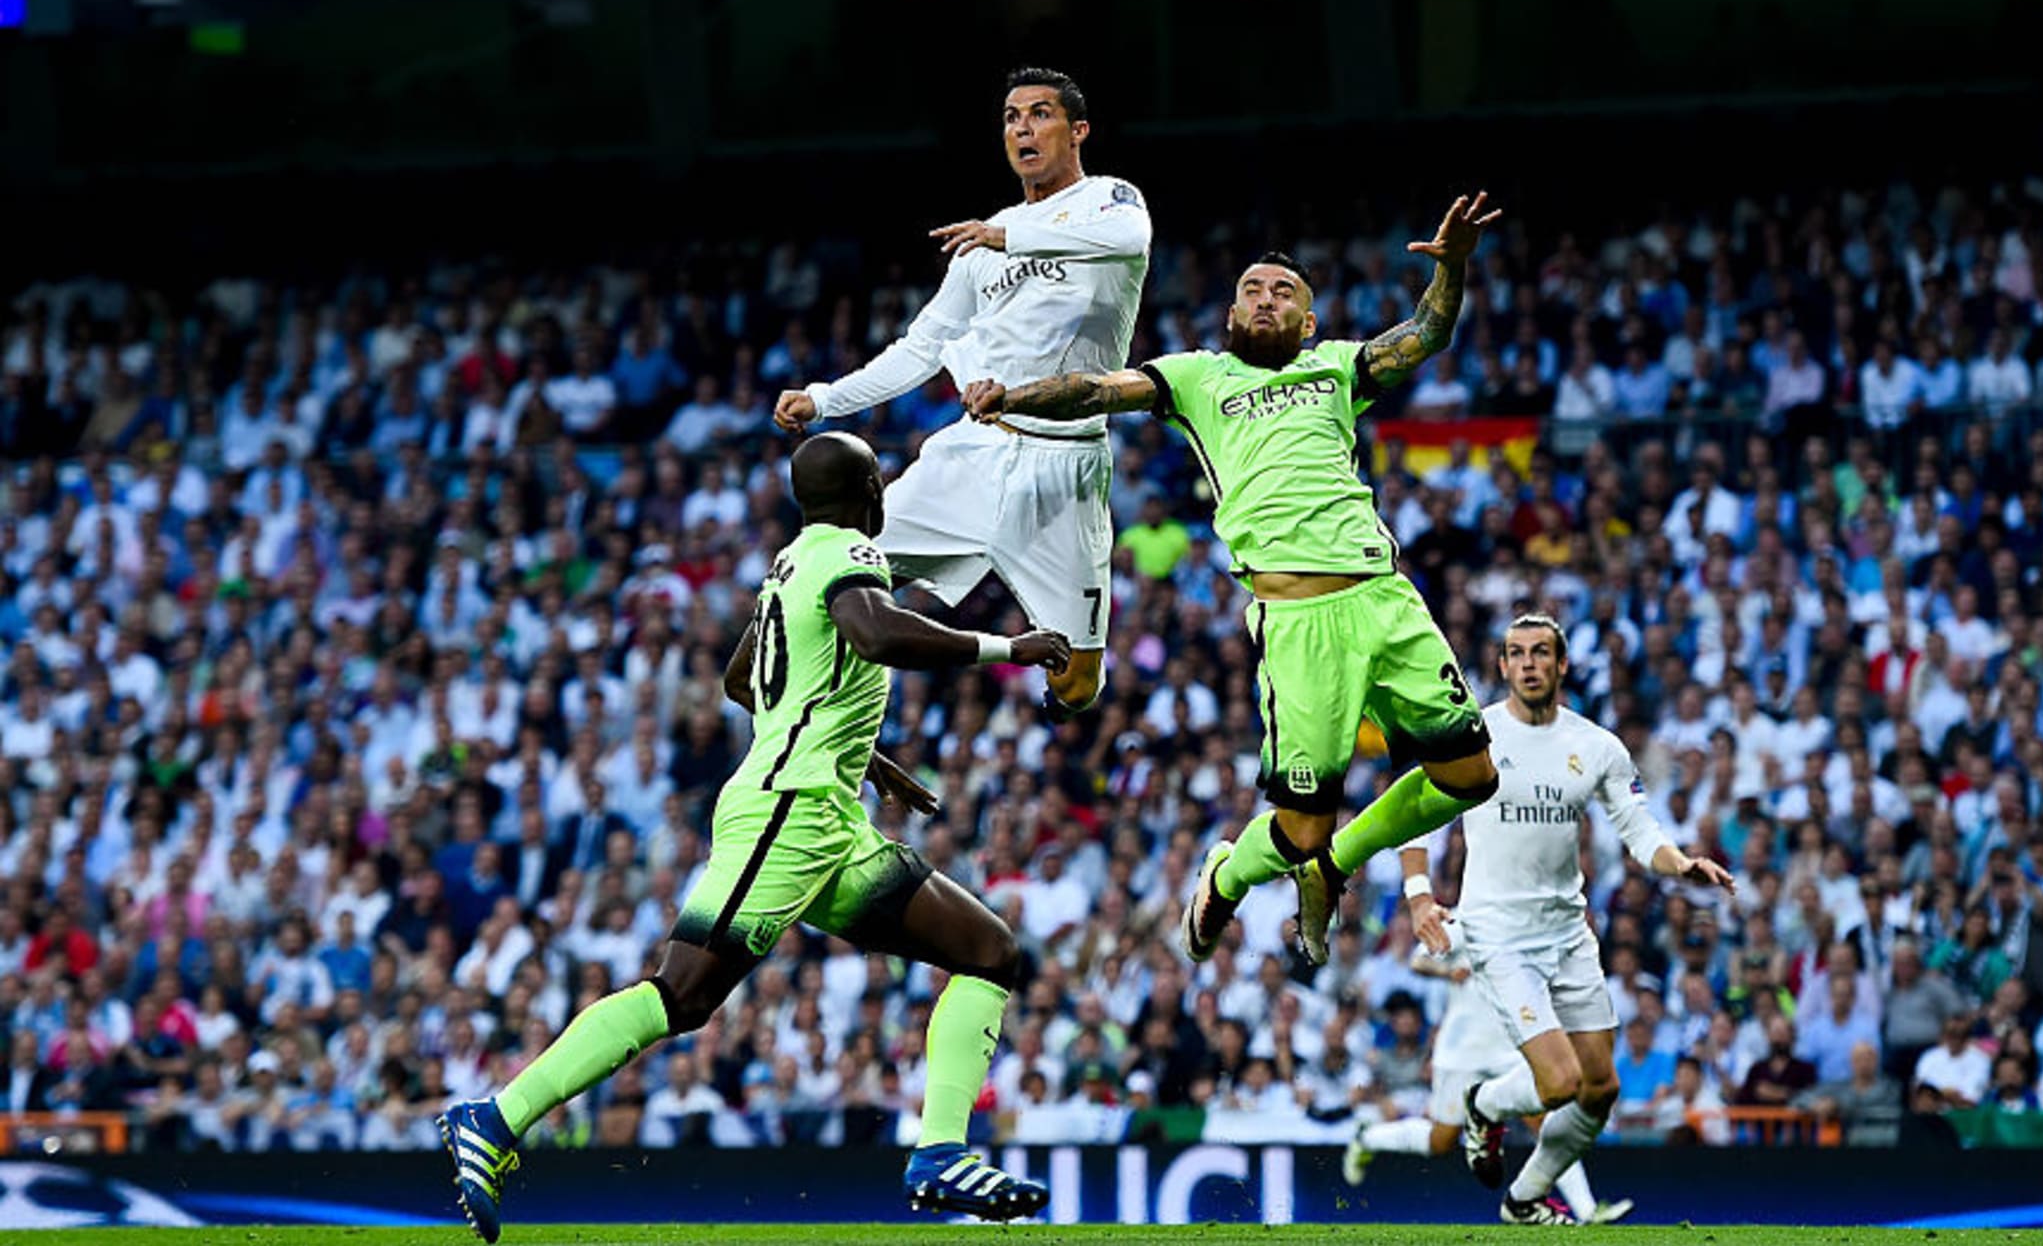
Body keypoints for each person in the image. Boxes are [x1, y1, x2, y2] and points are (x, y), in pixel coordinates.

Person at [440, 433, 1073, 1241]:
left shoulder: (789, 565)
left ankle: (939, 1156)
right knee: (682, 994)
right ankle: (496, 1116)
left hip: (826, 817)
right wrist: (1006, 648)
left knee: (988, 950)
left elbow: (745, 679)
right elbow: (876, 635)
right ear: (872, 491)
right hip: (786, 811)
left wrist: (863, 758)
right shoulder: (849, 553)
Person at [963, 193, 1510, 967]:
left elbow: (1425, 334)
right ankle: (1227, 876)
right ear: (1229, 313)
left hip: (1386, 598)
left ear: (1309, 323)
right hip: (1299, 626)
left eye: (1284, 292)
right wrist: (1010, 398)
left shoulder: (1337, 367)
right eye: (1252, 289)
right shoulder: (1196, 378)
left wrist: (1451, 268)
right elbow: (1096, 391)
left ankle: (1339, 862)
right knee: (1297, 829)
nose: (1266, 298)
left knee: (1470, 777)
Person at [772, 67, 1148, 725]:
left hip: (1066, 468)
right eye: (1011, 117)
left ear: (1077, 129)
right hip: (973, 453)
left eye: (1040, 113)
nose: (1023, 128)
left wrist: (1008, 235)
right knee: (828, 571)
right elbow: (922, 348)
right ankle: (784, 703)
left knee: (1080, 682)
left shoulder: (1109, 201)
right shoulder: (979, 247)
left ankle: (1049, 708)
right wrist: (825, 398)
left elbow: (1130, 242)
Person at [1408, 615, 1734, 1224]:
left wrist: (1680, 863)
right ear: (1503, 666)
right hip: (1498, 935)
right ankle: (1482, 1104)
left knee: (1600, 1089)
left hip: (1567, 932)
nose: (1528, 663)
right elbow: (1416, 813)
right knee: (1557, 1084)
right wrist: (1420, 896)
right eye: (1516, 653)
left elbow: (1640, 830)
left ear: (1561, 666)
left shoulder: (1597, 746)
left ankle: (1525, 1199)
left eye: (1540, 653)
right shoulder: (1472, 736)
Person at [1339, 934, 1629, 1226]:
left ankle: (1588, 1211)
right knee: (1441, 1141)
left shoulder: (1523, 920)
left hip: (1510, 1046)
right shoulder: (1461, 919)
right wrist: (1447, 971)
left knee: (1543, 1120)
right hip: (1462, 1051)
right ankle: (1368, 1138)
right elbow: (1418, 961)